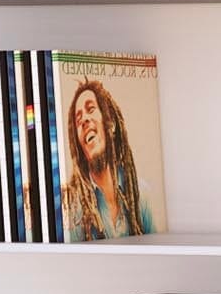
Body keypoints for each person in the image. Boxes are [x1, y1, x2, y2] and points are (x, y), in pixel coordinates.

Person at [62, 78, 154, 239]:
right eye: (78, 119)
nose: (84, 120)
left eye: (91, 109)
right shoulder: (73, 211)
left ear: (110, 124)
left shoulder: (141, 194)